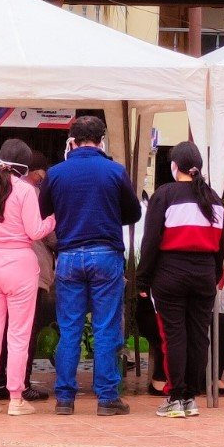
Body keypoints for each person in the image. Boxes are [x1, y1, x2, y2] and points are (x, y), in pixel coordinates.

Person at [39, 116, 141, 416]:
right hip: (106, 256)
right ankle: (107, 398)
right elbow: (133, 213)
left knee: (69, 328)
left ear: (72, 140)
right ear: (101, 140)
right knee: (105, 327)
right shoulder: (115, 171)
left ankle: (64, 399)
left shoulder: (56, 173)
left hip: (69, 256)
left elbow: (44, 210)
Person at [136, 141, 224, 418]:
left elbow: (150, 241)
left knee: (174, 335)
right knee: (199, 337)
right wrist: (213, 277)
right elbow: (220, 247)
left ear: (175, 167)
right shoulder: (215, 199)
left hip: (170, 273)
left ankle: (175, 397)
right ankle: (190, 398)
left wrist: (143, 280)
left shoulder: (165, 195)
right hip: (204, 274)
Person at [0, 139, 55, 417]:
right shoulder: (26, 190)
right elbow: (35, 231)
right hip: (20, 265)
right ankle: (16, 398)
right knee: (18, 335)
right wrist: (53, 218)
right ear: (25, 167)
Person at [0, 151, 56, 402]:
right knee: (24, 332)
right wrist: (54, 221)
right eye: (42, 174)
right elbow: (43, 234)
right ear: (34, 172)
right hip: (30, 271)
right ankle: (20, 385)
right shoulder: (32, 194)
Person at [136, 303, 224, 396]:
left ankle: (212, 377)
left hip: (191, 309)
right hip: (156, 309)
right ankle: (160, 378)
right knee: (172, 324)